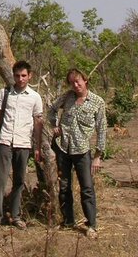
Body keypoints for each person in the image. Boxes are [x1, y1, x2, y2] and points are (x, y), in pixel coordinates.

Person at [48, 67, 107, 239]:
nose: (75, 85)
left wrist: (97, 156)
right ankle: (68, 221)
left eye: (78, 81)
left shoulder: (97, 102)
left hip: (82, 151)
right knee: (64, 186)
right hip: (63, 148)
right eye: (72, 82)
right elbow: (52, 109)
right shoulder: (67, 97)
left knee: (87, 187)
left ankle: (92, 225)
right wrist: (55, 125)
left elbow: (102, 129)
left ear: (85, 80)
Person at [0, 60, 44, 229]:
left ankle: (16, 216)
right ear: (13, 76)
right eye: (17, 75)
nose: (20, 79)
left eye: (24, 75)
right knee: (0, 181)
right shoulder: (5, 93)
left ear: (30, 76)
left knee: (19, 181)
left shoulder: (35, 97)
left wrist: (37, 147)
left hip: (24, 143)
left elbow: (38, 123)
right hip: (5, 141)